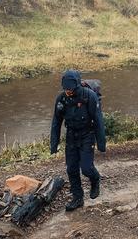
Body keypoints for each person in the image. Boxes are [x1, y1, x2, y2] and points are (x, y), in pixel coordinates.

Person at [50, 69, 106, 211]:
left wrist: (101, 143)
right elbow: (56, 122)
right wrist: (54, 144)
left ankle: (95, 179)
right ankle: (77, 197)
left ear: (77, 86)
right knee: (72, 169)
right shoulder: (61, 99)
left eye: (70, 89)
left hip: (87, 134)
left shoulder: (89, 96)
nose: (68, 91)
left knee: (86, 168)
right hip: (71, 136)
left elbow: (98, 120)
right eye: (66, 89)